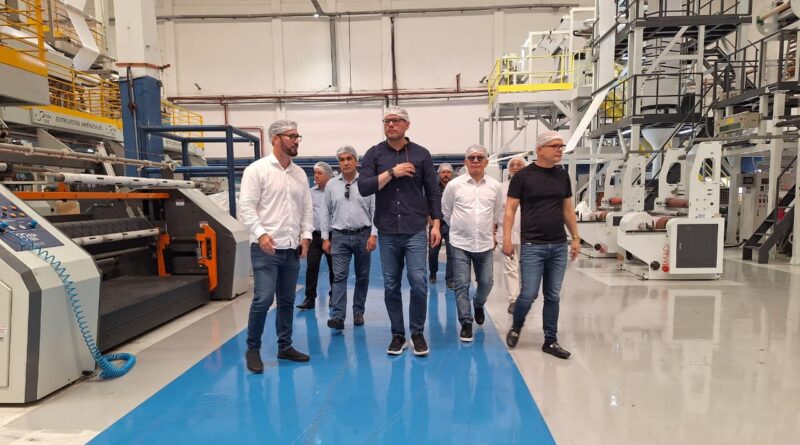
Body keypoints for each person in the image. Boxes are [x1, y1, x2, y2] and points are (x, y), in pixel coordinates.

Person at [360, 106, 442, 356]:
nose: (391, 124)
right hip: (387, 231)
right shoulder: (374, 154)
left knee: (418, 283)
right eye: (387, 121)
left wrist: (436, 224)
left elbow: (433, 191)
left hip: (415, 228)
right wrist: (391, 173)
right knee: (391, 285)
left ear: (407, 124)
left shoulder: (421, 154)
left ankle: (417, 333)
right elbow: (364, 187)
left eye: (396, 121)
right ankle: (398, 335)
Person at [239, 119, 313, 372]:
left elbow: (307, 208)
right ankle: (253, 349)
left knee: (287, 300)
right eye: (291, 136)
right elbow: (247, 206)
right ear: (275, 139)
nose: (296, 141)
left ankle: (285, 346)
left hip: (291, 248)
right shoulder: (257, 170)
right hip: (265, 249)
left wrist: (306, 236)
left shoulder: (299, 174)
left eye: (297, 136)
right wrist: (261, 234)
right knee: (263, 298)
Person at [502, 130, 580, 360]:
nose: (559, 150)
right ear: (540, 150)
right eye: (555, 146)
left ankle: (550, 340)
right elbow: (510, 209)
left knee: (553, 295)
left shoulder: (562, 176)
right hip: (532, 244)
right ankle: (517, 326)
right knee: (528, 294)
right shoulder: (523, 177)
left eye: (561, 146)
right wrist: (506, 239)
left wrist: (575, 237)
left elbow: (568, 209)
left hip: (558, 245)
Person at [441, 145, 504, 342]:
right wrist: (460, 227)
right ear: (465, 162)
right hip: (460, 242)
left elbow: (497, 212)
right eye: (471, 158)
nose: (475, 160)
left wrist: (490, 232)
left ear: (486, 162)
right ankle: (466, 322)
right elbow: (446, 211)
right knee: (461, 284)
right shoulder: (454, 185)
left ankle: (478, 303)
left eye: (479, 157)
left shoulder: (495, 186)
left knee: (486, 282)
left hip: (484, 243)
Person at [321, 146, 377, 329]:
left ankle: (358, 312)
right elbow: (325, 211)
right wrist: (325, 237)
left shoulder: (367, 183)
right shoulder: (331, 185)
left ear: (356, 161)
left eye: (349, 158)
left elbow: (375, 210)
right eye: (342, 159)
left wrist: (374, 234)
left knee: (362, 276)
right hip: (339, 236)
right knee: (339, 276)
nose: (345, 163)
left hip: (363, 235)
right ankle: (338, 316)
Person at [296, 162, 334, 310]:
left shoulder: (335, 192)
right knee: (312, 267)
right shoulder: (310, 193)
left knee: (334, 268)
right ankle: (310, 298)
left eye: (319, 173)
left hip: (332, 235)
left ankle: (334, 297)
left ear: (328, 176)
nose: (315, 176)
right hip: (315, 235)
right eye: (315, 173)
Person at [497, 156, 527, 315]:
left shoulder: (532, 186)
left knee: (527, 268)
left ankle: (525, 297)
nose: (515, 167)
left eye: (519, 164)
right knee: (510, 268)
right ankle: (513, 300)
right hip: (506, 233)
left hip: (529, 233)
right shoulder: (501, 188)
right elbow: (495, 211)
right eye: (512, 165)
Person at [428, 163, 455, 288]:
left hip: (451, 224)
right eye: (443, 172)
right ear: (439, 174)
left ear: (451, 174)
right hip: (435, 224)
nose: (446, 175)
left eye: (448, 172)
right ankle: (433, 273)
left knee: (451, 253)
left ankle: (450, 279)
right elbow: (427, 202)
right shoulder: (433, 187)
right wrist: (429, 218)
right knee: (433, 252)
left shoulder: (455, 187)